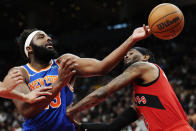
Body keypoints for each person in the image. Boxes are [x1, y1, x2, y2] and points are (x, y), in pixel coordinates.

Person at [11, 25, 150, 131]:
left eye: (48, 36)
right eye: (41, 37)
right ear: (29, 49)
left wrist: (132, 39)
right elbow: (28, 110)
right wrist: (59, 82)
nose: (48, 38)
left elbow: (103, 67)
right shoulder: (20, 73)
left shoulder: (63, 63)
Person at [67, 47, 194, 131]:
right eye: (126, 55)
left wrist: (72, 111)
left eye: (131, 53)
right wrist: (80, 126)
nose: (126, 56)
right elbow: (112, 127)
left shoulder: (145, 66)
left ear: (145, 57)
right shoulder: (139, 98)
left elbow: (102, 92)